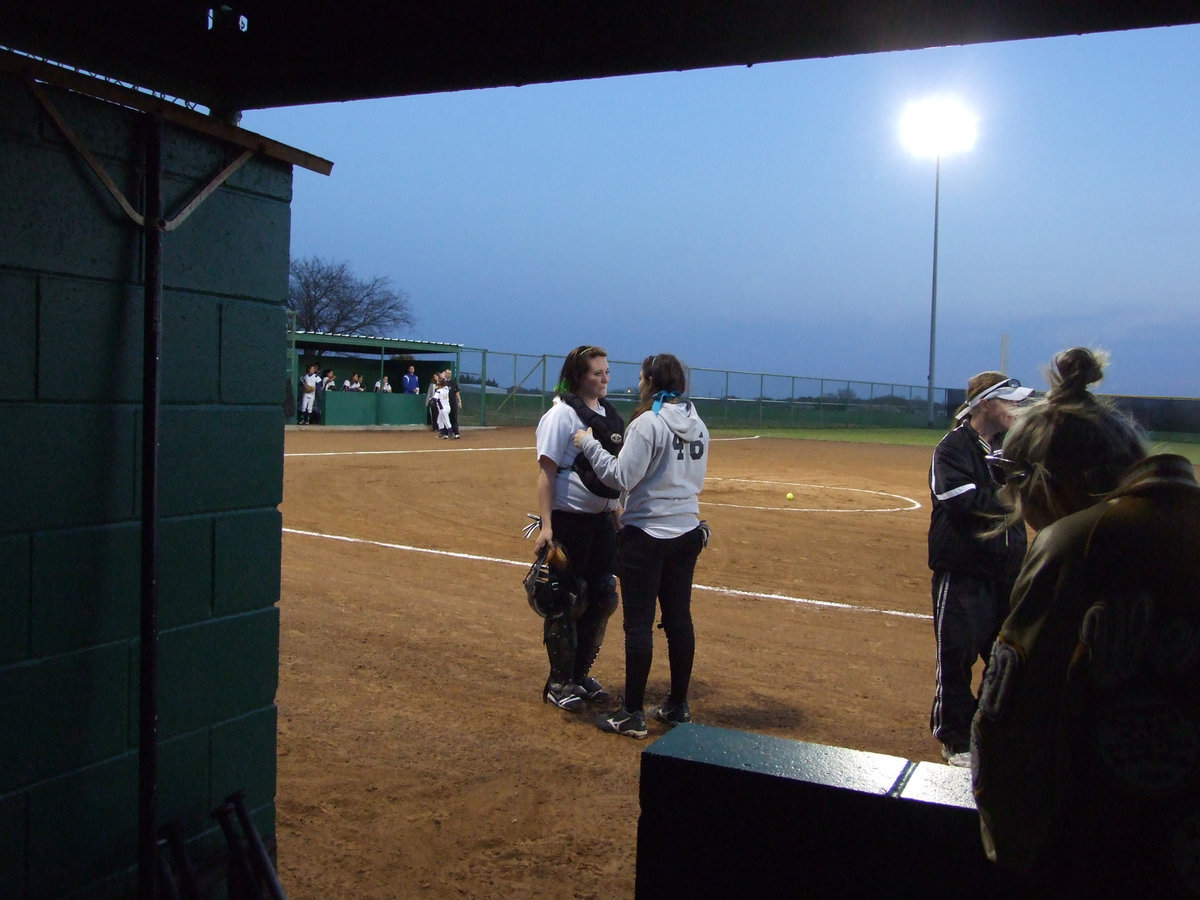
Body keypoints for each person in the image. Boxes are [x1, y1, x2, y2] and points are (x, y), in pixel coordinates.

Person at [971, 348, 1200, 898]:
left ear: (1054, 481)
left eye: (1023, 490)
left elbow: (1005, 738)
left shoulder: (1072, 543)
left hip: (1102, 857)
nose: (1023, 511)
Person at [574, 353, 709, 739]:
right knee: (679, 619)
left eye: (640, 377)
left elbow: (620, 477)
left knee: (638, 626)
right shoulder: (698, 424)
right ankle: (677, 704)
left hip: (648, 536)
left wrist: (588, 444)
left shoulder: (647, 424)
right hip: (686, 532)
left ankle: (632, 713)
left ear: (651, 380)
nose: (637, 384)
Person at [928, 370, 1033, 765]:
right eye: (1009, 401)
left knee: (1006, 657)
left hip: (1006, 573)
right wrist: (1012, 490)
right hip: (963, 572)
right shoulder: (952, 447)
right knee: (956, 658)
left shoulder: (1010, 448)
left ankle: (993, 729)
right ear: (985, 403)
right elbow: (961, 501)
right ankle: (955, 738)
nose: (1017, 408)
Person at [532, 345, 625, 712]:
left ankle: (580, 674)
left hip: (601, 521)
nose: (604, 377)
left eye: (606, 371)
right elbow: (546, 473)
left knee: (602, 596)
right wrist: (546, 526)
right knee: (565, 598)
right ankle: (559, 681)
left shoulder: (605, 415)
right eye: (596, 372)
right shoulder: (562, 416)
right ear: (577, 376)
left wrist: (617, 517)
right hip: (569, 521)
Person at [442, 367, 461, 438]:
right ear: (445, 373)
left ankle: (456, 433)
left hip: (453, 403)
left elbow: (457, 392)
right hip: (445, 404)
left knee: (454, 418)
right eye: (447, 373)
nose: (448, 374)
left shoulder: (453, 382)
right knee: (445, 418)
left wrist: (459, 401)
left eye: (450, 373)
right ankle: (446, 434)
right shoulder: (443, 382)